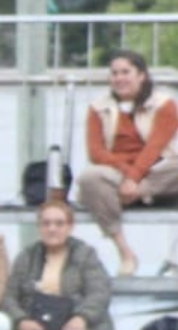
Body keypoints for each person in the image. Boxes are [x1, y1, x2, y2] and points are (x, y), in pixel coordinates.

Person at [0, 200, 113, 330]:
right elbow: (8, 296)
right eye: (46, 223)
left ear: (70, 227)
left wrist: (81, 317)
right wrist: (22, 321)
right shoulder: (27, 256)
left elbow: (99, 292)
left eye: (59, 223)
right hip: (38, 322)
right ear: (39, 226)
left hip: (76, 321)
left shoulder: (85, 254)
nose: (52, 229)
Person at [74, 49, 178, 277]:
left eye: (126, 72)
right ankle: (126, 253)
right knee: (90, 177)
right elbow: (96, 152)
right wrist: (127, 175)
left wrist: (135, 180)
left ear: (141, 75)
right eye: (114, 73)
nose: (119, 78)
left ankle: (140, 193)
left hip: (157, 173)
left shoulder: (165, 105)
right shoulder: (98, 108)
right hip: (118, 174)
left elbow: (155, 147)